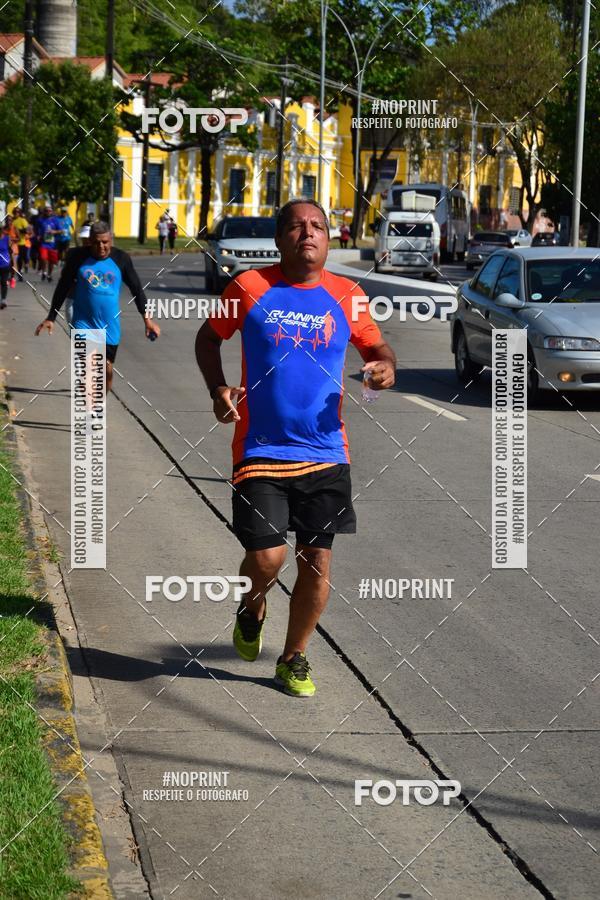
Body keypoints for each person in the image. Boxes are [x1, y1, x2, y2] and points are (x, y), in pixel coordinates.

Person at [195, 198, 396, 698]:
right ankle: (252, 606)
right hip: (260, 448)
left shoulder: (348, 294)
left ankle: (293, 657)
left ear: (330, 239)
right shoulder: (247, 287)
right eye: (297, 227)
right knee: (266, 559)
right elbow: (207, 339)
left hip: (327, 452)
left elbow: (377, 348)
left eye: (319, 227)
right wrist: (218, 389)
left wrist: (384, 366)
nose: (309, 233)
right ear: (280, 237)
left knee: (317, 561)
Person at [34, 221, 160, 392]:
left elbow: (136, 289)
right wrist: (51, 317)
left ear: (111, 240)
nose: (101, 246)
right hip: (83, 322)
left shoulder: (121, 259)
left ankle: (97, 406)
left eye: (105, 242)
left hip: (110, 326)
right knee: (89, 368)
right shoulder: (77, 257)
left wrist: (147, 320)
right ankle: (88, 412)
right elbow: (63, 286)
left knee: (106, 372)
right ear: (89, 241)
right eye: (96, 242)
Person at [38, 205, 61, 282]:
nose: (48, 212)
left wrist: (54, 231)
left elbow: (61, 231)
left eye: (50, 211)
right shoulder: (40, 220)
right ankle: (44, 272)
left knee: (52, 261)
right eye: (46, 211)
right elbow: (37, 229)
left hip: (53, 244)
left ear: (52, 212)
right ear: (44, 212)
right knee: (43, 258)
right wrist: (38, 235)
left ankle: (49, 274)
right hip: (43, 243)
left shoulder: (55, 220)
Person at [12, 207, 31, 279]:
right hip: (13, 243)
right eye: (15, 212)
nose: (16, 214)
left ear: (19, 213)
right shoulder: (12, 221)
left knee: (21, 258)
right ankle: (17, 272)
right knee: (15, 259)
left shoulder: (22, 220)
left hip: (22, 242)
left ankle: (21, 269)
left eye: (17, 212)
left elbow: (28, 230)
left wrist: (20, 231)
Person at [0, 221, 12, 308]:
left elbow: (11, 251)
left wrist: (13, 264)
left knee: (4, 282)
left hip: (5, 264)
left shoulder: (7, 238)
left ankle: (3, 300)